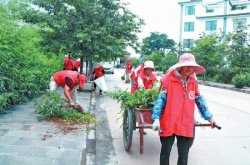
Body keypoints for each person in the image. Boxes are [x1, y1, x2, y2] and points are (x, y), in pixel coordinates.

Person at [151, 53, 216, 165]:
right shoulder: (169, 81)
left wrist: (209, 118)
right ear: (180, 66)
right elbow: (160, 101)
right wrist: (156, 118)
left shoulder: (193, 83)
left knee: (183, 156)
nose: (189, 68)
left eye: (192, 66)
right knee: (165, 153)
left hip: (186, 124)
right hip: (169, 122)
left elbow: (200, 102)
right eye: (186, 65)